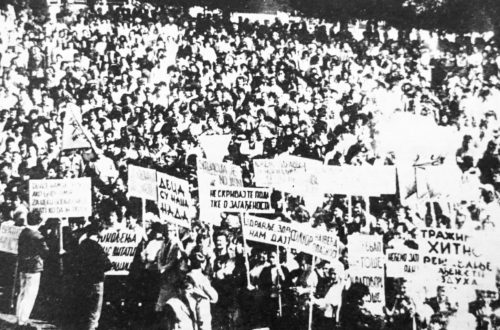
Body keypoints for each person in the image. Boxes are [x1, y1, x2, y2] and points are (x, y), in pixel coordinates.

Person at [74, 223, 112, 330]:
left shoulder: (82, 245)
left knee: (85, 308)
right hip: (96, 281)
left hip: (83, 281)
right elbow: (107, 265)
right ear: (98, 233)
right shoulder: (98, 247)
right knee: (94, 311)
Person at [16, 210, 49, 328]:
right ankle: (23, 321)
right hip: (34, 268)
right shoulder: (38, 236)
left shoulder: (24, 232)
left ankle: (19, 317)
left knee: (22, 292)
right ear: (38, 221)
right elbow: (45, 252)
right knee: (30, 294)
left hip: (23, 266)